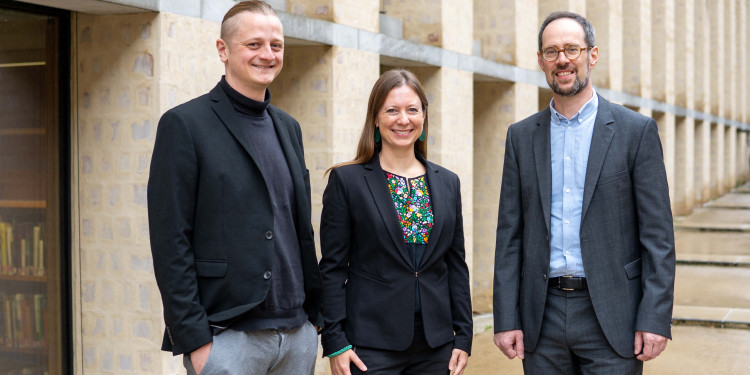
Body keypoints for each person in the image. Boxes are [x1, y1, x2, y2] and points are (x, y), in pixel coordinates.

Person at [492, 11, 676, 374]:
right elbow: (509, 236)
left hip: (613, 314)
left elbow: (658, 236)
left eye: (572, 49)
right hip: (540, 318)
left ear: (592, 55)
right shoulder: (521, 136)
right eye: (551, 51)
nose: (562, 59)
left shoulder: (635, 132)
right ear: (541, 61)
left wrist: (654, 316)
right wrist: (506, 317)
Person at [147, 2, 321, 374]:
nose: (267, 54)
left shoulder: (289, 128)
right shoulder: (184, 125)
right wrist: (195, 339)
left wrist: (314, 320)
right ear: (223, 50)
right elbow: (170, 240)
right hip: (228, 336)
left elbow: (298, 228)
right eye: (254, 44)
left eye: (276, 45)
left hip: (297, 334)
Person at [319, 69, 473, 375]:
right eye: (392, 110)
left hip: (436, 345)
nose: (403, 119)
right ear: (375, 118)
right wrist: (336, 341)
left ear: (424, 117)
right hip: (369, 345)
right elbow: (332, 268)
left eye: (412, 110)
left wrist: (464, 337)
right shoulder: (347, 181)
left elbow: (456, 265)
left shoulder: (448, 183)